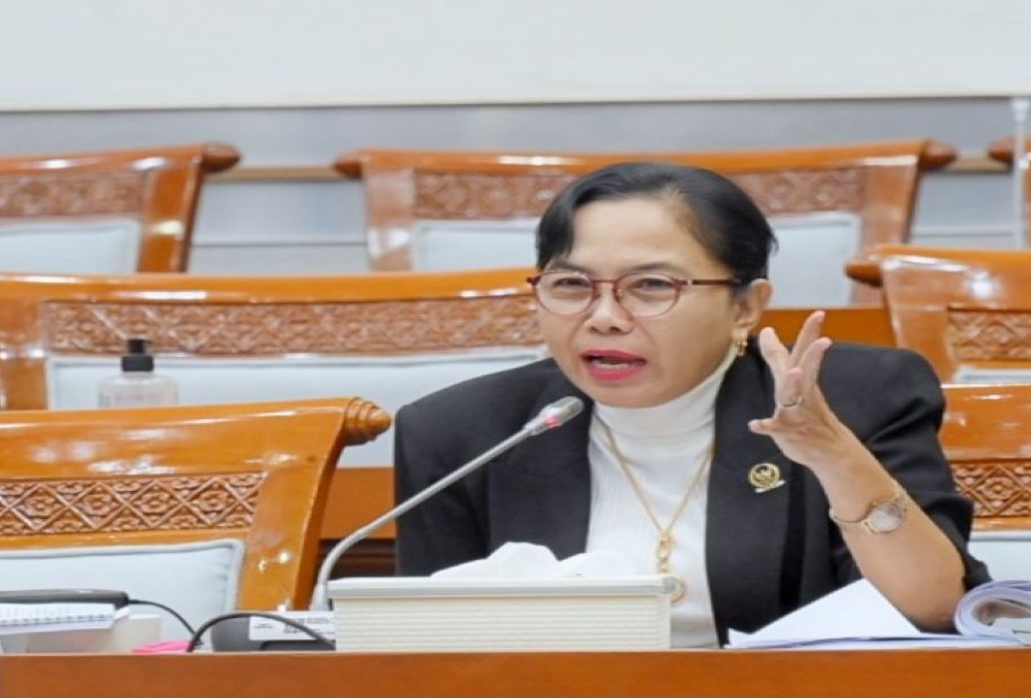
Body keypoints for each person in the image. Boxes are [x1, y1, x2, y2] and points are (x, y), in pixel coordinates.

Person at [393, 161, 989, 648]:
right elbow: (429, 649)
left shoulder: (856, 398)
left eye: (652, 286)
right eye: (572, 286)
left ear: (746, 306)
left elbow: (933, 610)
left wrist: (833, 455)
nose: (604, 318)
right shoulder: (464, 433)